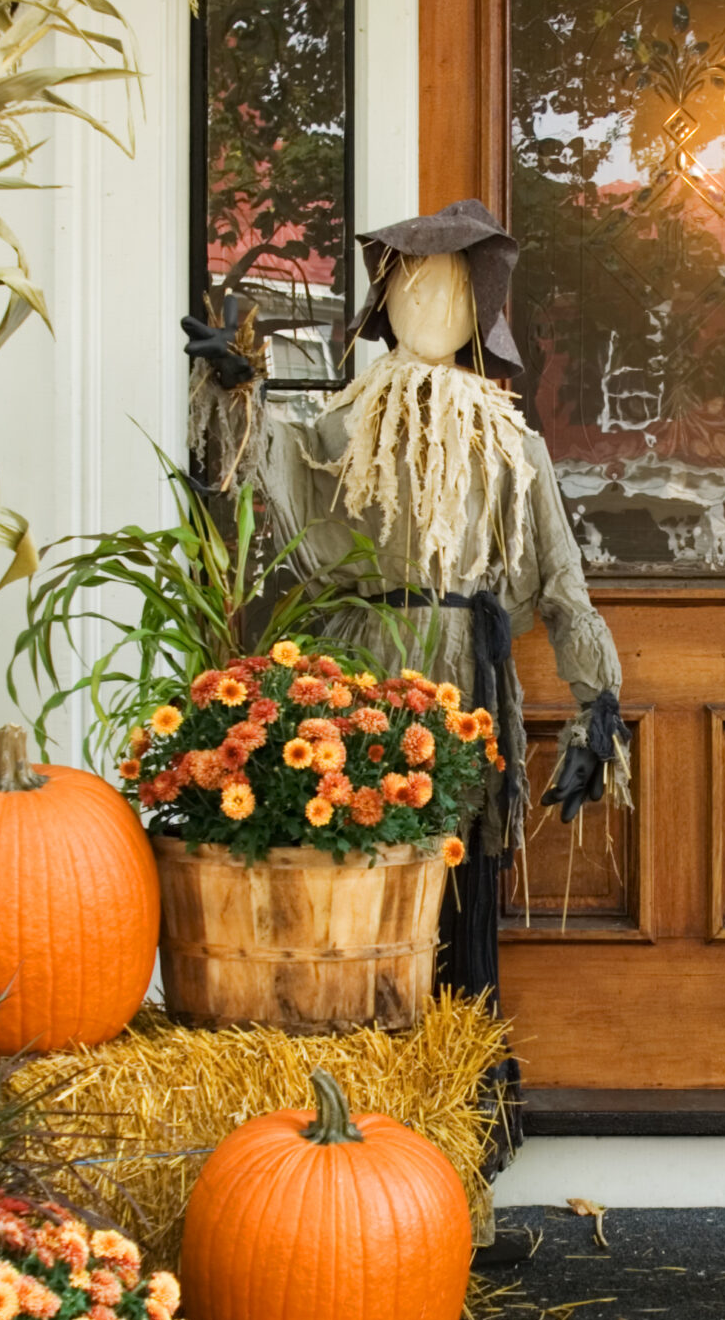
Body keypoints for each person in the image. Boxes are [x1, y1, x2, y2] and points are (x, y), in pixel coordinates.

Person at [197, 199, 628, 1186]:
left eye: (451, 287)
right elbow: (275, 502)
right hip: (364, 680)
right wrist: (234, 394)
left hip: (468, 688)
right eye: (410, 283)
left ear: (483, 309)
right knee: (361, 910)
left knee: (462, 910)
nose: (430, 302)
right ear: (383, 298)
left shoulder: (511, 443)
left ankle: (458, 1168)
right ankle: (351, 1150)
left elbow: (561, 584)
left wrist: (596, 703)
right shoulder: (343, 427)